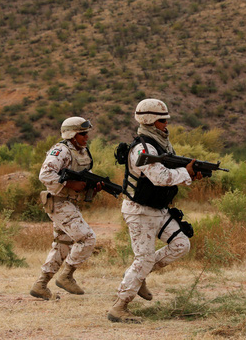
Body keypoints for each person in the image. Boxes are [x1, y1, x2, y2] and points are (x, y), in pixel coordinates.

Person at [108, 98, 202, 323]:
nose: (166, 124)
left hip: (159, 209)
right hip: (139, 210)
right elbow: (160, 177)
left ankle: (138, 276)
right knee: (144, 258)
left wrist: (191, 174)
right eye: (162, 120)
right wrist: (186, 173)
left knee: (181, 245)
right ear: (150, 120)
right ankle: (119, 307)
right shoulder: (142, 147)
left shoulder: (162, 144)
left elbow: (171, 173)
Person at [29, 116, 101, 300]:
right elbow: (45, 175)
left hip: (69, 203)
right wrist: (69, 184)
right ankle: (66, 275)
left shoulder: (81, 152)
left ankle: (41, 285)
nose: (86, 137)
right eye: (82, 134)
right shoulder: (60, 151)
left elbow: (84, 174)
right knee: (87, 238)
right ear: (72, 135)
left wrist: (93, 185)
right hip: (59, 201)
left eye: (86, 134)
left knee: (62, 244)